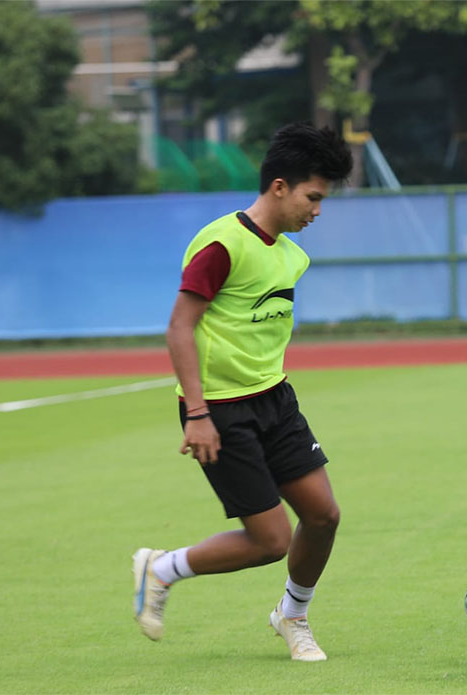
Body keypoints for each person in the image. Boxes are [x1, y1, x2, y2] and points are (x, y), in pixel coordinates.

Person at [132, 122, 353, 662]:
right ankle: (160, 569)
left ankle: (293, 617)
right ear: (280, 186)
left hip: (275, 399)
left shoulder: (292, 255)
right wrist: (198, 413)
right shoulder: (221, 244)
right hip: (222, 411)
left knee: (323, 515)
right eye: (313, 197)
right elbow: (180, 327)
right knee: (270, 541)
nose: (317, 210)